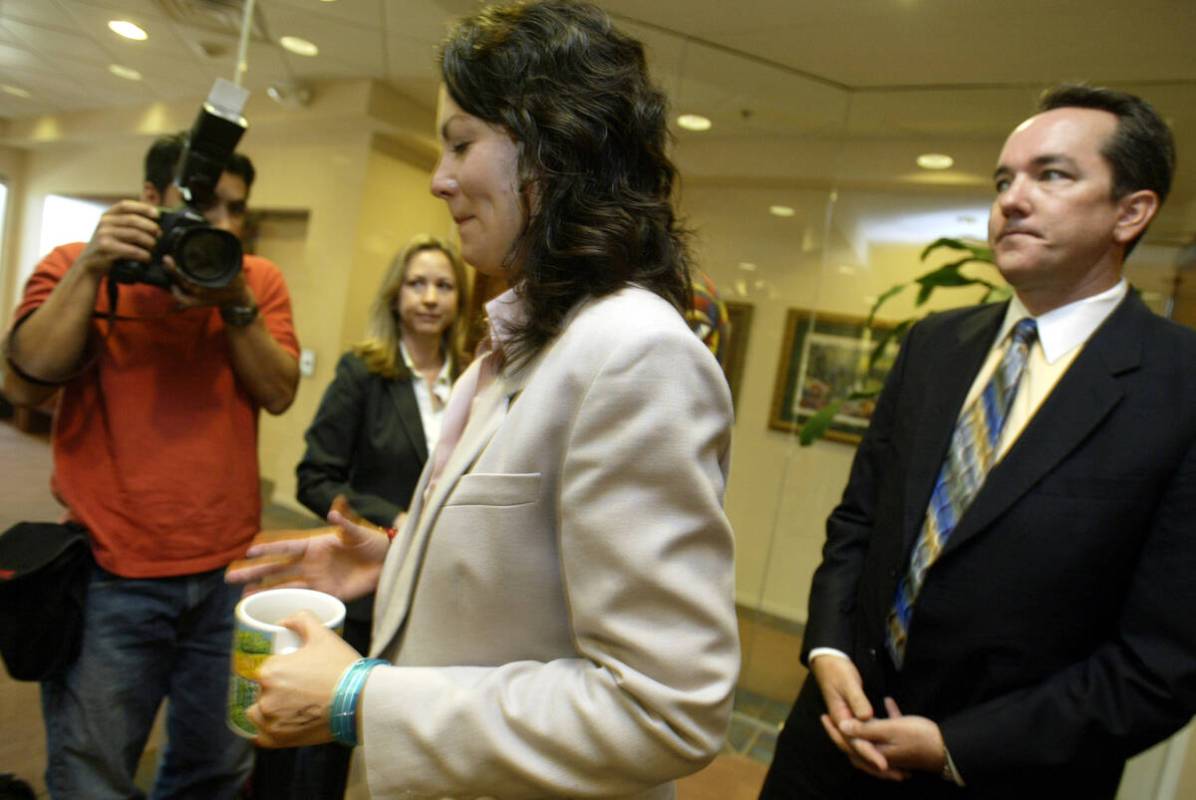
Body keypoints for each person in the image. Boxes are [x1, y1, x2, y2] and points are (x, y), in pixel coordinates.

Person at [226, 2, 739, 798]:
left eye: (461, 143)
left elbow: (666, 706)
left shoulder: (636, 353)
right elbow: (541, 573)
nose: (439, 178)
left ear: (554, 147)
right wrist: (403, 560)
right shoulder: (516, 344)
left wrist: (364, 699)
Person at [760, 85, 1196, 799]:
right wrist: (830, 650)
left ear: (1131, 212)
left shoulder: (1179, 388)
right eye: (1003, 180)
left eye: (1051, 175)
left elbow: (1162, 662)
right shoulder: (935, 346)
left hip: (1003, 776)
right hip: (828, 748)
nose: (1012, 200)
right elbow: (858, 525)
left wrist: (955, 746)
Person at [2, 133, 299, 798]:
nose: (218, 223)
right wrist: (90, 271)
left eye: (233, 210)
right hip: (112, 574)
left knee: (217, 768)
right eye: (202, 204)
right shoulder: (75, 264)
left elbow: (279, 392)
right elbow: (24, 384)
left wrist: (231, 302)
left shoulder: (255, 281)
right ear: (147, 201)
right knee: (93, 774)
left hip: (229, 577)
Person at [254, 235, 466, 800]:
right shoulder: (363, 372)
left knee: (413, 735)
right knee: (329, 733)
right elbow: (314, 476)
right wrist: (390, 516)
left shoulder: (475, 380)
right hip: (364, 584)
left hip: (438, 591)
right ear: (396, 294)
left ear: (459, 301)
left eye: (443, 285)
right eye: (417, 283)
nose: (429, 297)